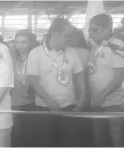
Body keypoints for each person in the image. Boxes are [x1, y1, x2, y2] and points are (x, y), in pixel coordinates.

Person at [27, 18, 86, 146]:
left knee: (68, 142)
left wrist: (81, 98)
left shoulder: (72, 52)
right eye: (67, 36)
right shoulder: (35, 53)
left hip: (69, 107)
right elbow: (33, 81)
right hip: (43, 108)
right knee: (44, 142)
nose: (70, 40)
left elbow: (79, 76)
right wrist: (48, 100)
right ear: (55, 34)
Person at [88, 14, 124, 147]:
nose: (90, 33)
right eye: (90, 29)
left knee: (116, 139)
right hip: (97, 102)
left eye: (95, 30)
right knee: (98, 139)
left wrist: (103, 94)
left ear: (107, 29)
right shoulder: (96, 46)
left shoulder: (118, 46)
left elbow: (119, 76)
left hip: (114, 104)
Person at [10, 29, 37, 147]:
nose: (20, 45)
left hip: (32, 102)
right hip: (14, 102)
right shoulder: (11, 60)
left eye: (23, 42)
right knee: (16, 134)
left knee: (30, 134)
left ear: (30, 43)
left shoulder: (35, 58)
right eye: (18, 42)